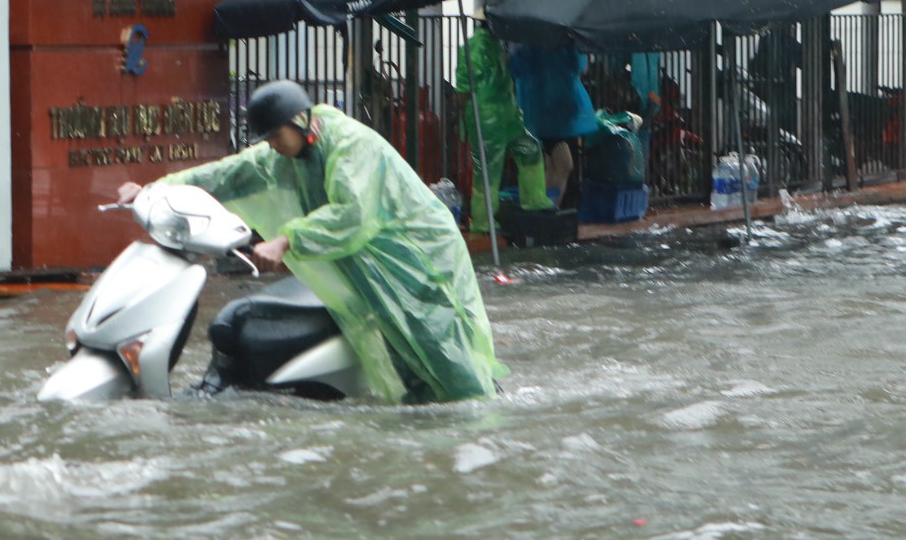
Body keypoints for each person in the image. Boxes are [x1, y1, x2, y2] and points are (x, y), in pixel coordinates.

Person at [117, 81, 505, 404]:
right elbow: (230, 173)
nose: (270, 146)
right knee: (396, 345)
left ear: (300, 121)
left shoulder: (350, 144)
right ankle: (420, 415)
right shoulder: (287, 151)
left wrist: (287, 240)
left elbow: (352, 213)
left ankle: (476, 410)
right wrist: (155, 190)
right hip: (368, 262)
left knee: (437, 341)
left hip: (417, 258)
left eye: (274, 137)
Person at [455, 27, 550, 234]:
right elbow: (462, 88)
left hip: (505, 114)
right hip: (488, 116)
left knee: (528, 150)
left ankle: (533, 199)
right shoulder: (474, 47)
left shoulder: (496, 45)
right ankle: (482, 220)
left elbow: (462, 90)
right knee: (490, 168)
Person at [508, 39, 598, 202]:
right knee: (564, 164)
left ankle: (546, 209)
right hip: (550, 111)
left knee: (552, 166)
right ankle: (550, 207)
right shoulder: (559, 37)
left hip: (546, 109)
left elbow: (518, 68)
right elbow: (578, 66)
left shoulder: (527, 40)